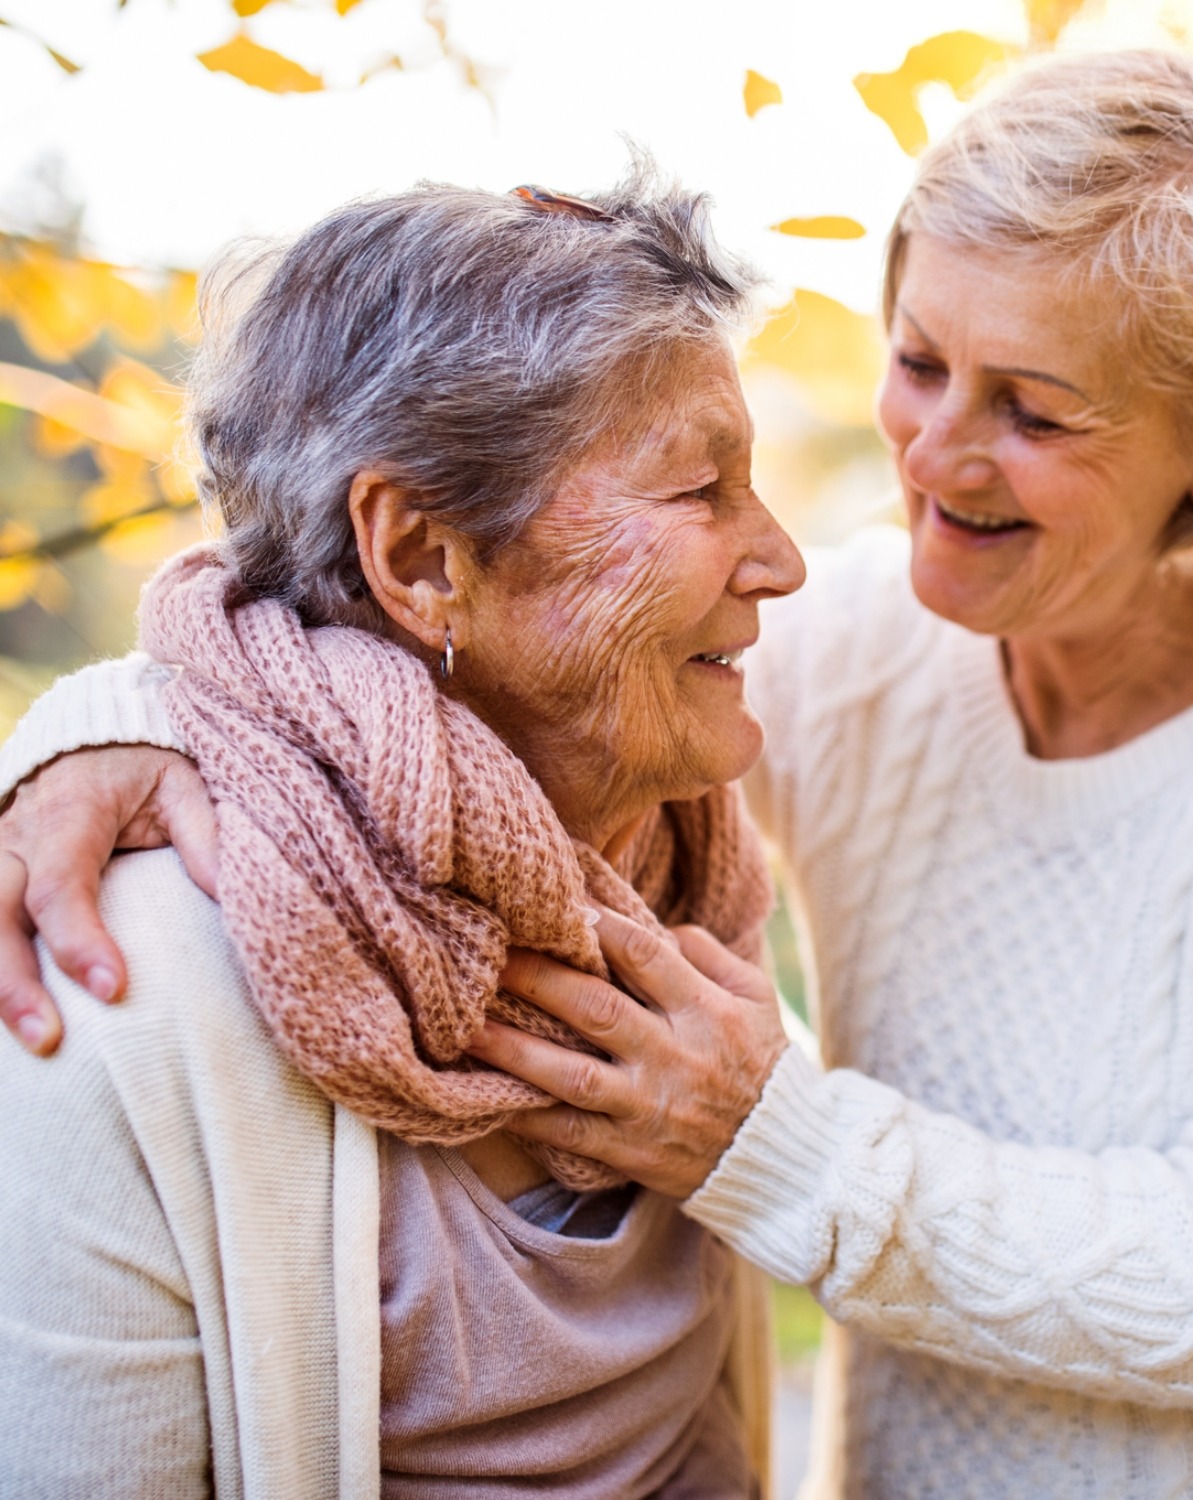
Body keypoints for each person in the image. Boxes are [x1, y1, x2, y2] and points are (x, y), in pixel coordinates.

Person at [4, 48, 1193, 1500]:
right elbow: (446, 629)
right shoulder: (865, 645)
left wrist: (770, 1143)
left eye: (1035, 411)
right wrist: (119, 722)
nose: (934, 456)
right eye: (918, 362)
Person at [0, 168, 808, 1497]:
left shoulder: (677, 864)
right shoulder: (107, 1006)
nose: (780, 559)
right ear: (424, 559)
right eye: (699, 492)